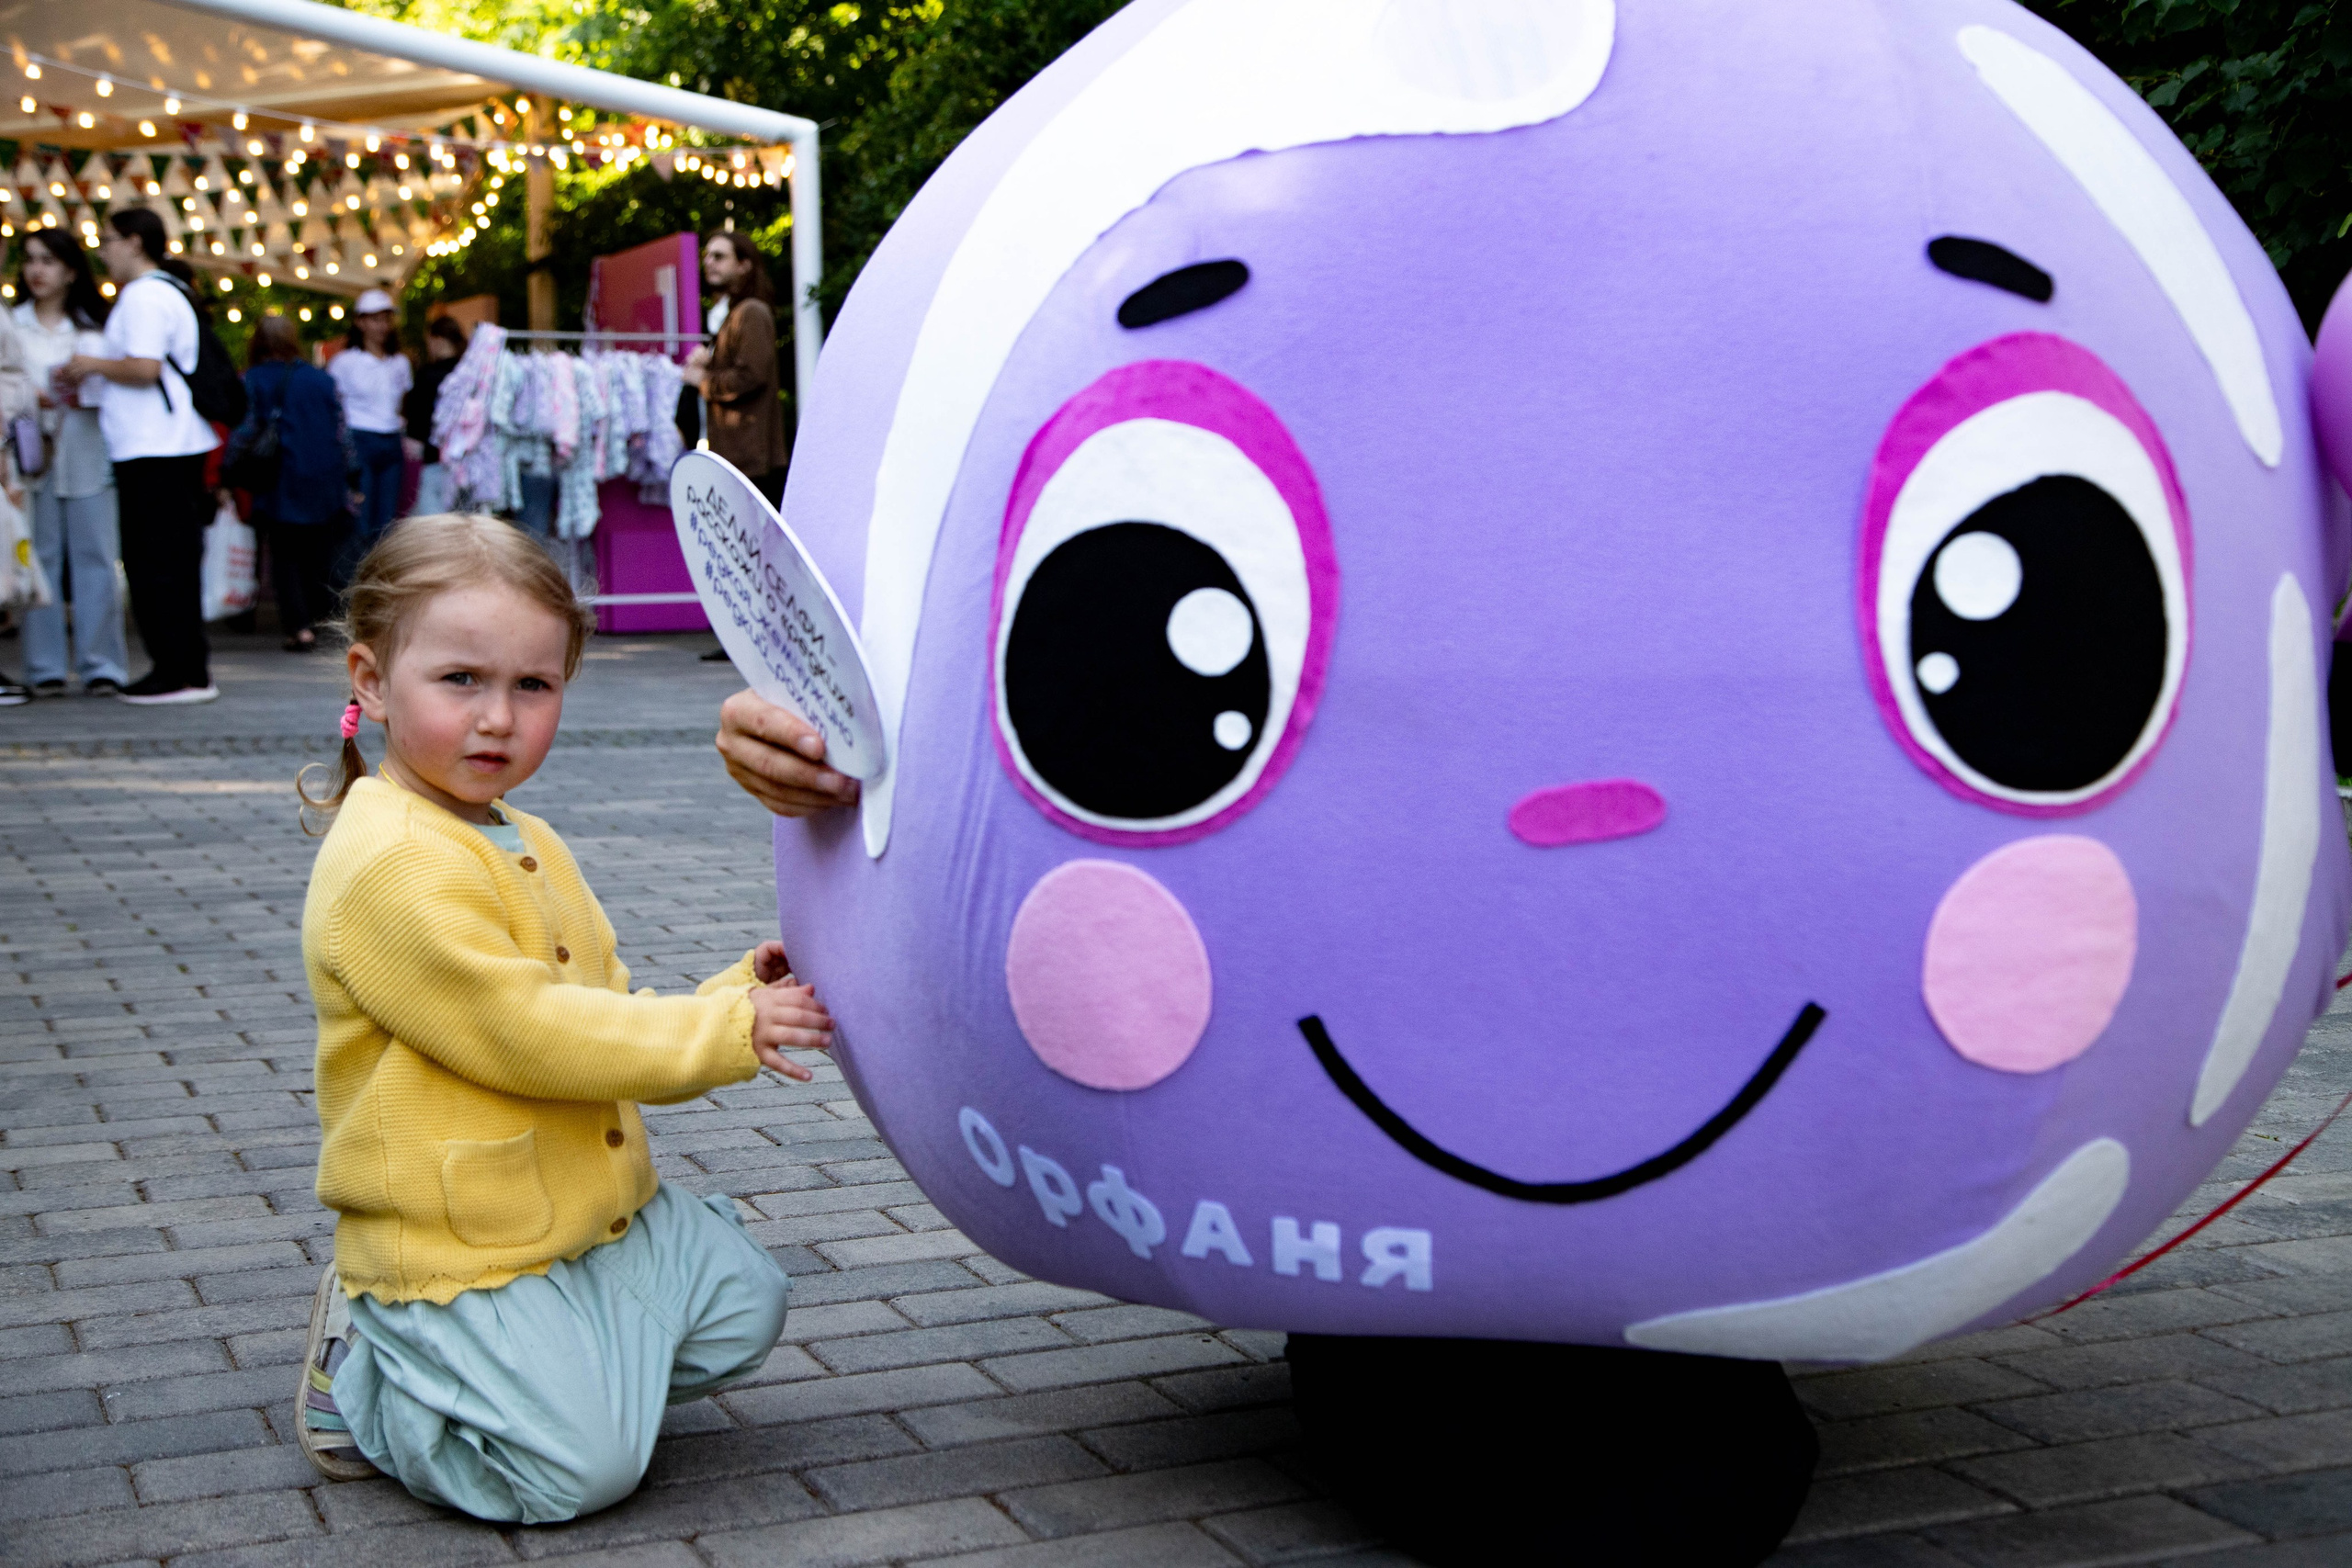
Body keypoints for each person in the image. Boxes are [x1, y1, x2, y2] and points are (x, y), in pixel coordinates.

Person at [290, 513, 833, 1520]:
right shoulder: (393, 864)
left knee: (745, 1309)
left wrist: (731, 990)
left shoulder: (520, 834)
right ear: (369, 679)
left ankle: (545, 1373)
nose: (499, 717)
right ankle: (370, 1374)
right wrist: (728, 1036)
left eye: (532, 686)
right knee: (578, 1471)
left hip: (585, 1215)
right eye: (461, 680)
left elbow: (594, 1013)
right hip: (467, 1242)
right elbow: (527, 1033)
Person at [62, 207, 220, 705]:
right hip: (164, 443)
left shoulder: (145, 295)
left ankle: (177, 672)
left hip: (155, 446)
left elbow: (145, 367)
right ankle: (182, 668)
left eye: (107, 240)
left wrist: (91, 365)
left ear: (134, 242)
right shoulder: (166, 290)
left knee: (157, 561)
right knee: (167, 559)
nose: (102, 251)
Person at [11, 229, 125, 698]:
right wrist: (30, 397)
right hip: (28, 460)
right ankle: (44, 667)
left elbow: (118, 392)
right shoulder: (12, 323)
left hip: (87, 454)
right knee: (37, 558)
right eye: (31, 260)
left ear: (71, 270)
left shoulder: (96, 328)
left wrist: (88, 381)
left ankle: (102, 665)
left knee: (97, 559)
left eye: (49, 261)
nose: (37, 270)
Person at [227, 316, 354, 651]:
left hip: (283, 476)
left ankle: (298, 627)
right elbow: (343, 431)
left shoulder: (253, 379)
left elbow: (247, 428)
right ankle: (314, 617)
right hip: (325, 478)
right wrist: (349, 474)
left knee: (285, 555)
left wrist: (227, 466)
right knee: (316, 553)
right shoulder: (322, 379)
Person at [683, 232, 787, 507]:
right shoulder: (733, 315)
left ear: (744, 265)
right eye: (707, 256)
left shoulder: (751, 312)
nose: (709, 262)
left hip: (752, 465)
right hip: (737, 461)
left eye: (719, 256)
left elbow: (751, 376)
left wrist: (703, 380)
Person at [329, 288, 412, 557]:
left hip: (391, 441)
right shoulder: (344, 363)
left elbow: (402, 403)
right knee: (360, 517)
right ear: (360, 322)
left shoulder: (400, 362)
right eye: (375, 319)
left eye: (385, 319)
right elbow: (335, 408)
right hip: (359, 441)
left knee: (386, 522)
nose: (382, 326)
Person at [402, 316, 466, 516]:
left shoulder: (427, 374)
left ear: (436, 339)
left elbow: (417, 415)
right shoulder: (468, 373)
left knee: (433, 527)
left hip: (434, 459)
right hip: (467, 462)